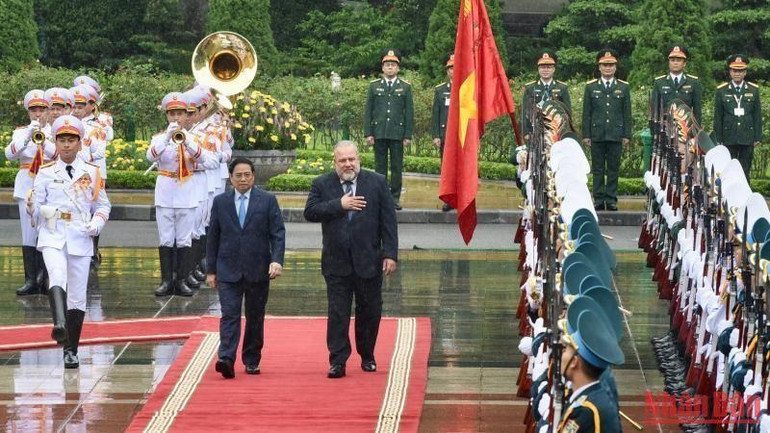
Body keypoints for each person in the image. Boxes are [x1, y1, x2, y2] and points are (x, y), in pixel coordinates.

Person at [304, 140, 398, 378]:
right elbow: (310, 212)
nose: (348, 164)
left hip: (369, 260)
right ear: (334, 162)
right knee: (338, 312)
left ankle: (368, 356)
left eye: (351, 159)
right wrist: (340, 205)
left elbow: (388, 222)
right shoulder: (322, 184)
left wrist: (390, 254)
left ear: (359, 160)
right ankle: (338, 361)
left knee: (370, 311)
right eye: (342, 160)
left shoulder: (376, 182)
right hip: (336, 262)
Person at [29, 115, 111, 368]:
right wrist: (38, 210)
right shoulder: (45, 172)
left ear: (79, 142)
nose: (66, 145)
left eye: (71, 140)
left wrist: (96, 224)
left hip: (79, 233)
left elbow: (102, 205)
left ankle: (71, 349)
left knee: (77, 295)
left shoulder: (92, 172)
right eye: (62, 140)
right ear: (55, 142)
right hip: (53, 232)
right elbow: (35, 208)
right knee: (56, 273)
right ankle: (59, 324)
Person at [206, 157, 286, 379]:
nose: (243, 179)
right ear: (231, 178)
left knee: (255, 316)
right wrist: (211, 271)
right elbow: (213, 236)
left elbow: (278, 234)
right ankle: (226, 358)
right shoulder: (221, 202)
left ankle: (251, 359)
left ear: (253, 176)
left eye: (247, 175)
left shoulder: (267, 200)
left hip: (258, 269)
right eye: (238, 175)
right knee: (229, 314)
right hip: (228, 269)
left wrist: (277, 260)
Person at [146, 92, 217, 297]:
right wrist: (168, 138)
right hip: (166, 191)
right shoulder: (160, 138)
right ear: (167, 116)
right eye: (172, 114)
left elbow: (211, 162)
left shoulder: (196, 138)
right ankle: (166, 280)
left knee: (185, 238)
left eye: (180, 114)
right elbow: (150, 156)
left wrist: (189, 144)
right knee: (166, 238)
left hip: (188, 192)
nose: (176, 118)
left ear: (187, 116)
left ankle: (182, 280)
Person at [6, 90, 57, 295]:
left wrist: (44, 141)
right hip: (27, 181)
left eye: (42, 110)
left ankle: (45, 278)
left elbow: (59, 154)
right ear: (28, 112)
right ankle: (30, 280)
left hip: (50, 183)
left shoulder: (56, 131)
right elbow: (9, 154)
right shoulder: (20, 132)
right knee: (29, 233)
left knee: (49, 230)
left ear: (48, 111)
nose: (38, 114)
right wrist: (28, 137)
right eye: (34, 110)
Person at [557, 304, 624, 432]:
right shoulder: (591, 398)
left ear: (574, 362)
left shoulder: (586, 411)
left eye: (565, 350)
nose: (562, 355)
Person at [582, 49, 632, 212]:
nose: (608, 68)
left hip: (615, 134)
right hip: (597, 134)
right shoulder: (591, 87)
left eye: (611, 65)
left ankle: (611, 199)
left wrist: (626, 134)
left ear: (615, 67)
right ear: (599, 67)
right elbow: (587, 113)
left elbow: (627, 113)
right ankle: (598, 199)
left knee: (613, 168)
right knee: (597, 168)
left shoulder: (623, 87)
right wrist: (586, 134)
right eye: (605, 65)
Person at [364, 49, 414, 210]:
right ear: (383, 68)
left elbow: (409, 113)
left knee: (396, 167)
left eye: (393, 65)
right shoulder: (374, 86)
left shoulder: (405, 87)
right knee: (380, 167)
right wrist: (368, 132)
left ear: (398, 68)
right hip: (379, 132)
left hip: (397, 134)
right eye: (387, 65)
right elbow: (368, 111)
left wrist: (407, 135)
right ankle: (381, 197)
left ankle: (394, 198)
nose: (390, 67)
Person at [713, 54, 762, 180]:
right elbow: (718, 116)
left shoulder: (753, 90)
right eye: (734, 70)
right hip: (728, 136)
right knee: (729, 169)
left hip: (747, 136)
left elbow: (757, 114)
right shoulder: (722, 90)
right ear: (730, 71)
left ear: (745, 72)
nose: (737, 74)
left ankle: (745, 197)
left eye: (740, 70)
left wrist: (757, 136)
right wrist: (718, 138)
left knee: (745, 170)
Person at [521, 52, 572, 140]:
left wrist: (567, 132)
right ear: (538, 69)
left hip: (557, 131)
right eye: (543, 67)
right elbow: (525, 112)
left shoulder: (562, 88)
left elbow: (568, 112)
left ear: (554, 69)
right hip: (535, 131)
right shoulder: (530, 88)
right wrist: (526, 132)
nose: (546, 70)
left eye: (549, 67)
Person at [650, 45, 702, 123]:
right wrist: (655, 132)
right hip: (664, 129)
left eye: (678, 60)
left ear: (684, 63)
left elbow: (697, 111)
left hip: (686, 129)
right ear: (669, 62)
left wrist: (696, 132)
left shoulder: (693, 82)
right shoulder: (659, 83)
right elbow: (655, 111)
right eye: (672, 60)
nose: (675, 63)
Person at [432, 54, 454, 212]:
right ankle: (449, 199)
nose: (453, 70)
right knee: (446, 170)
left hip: (461, 138)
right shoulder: (440, 90)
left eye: (456, 67)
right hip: (446, 135)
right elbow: (436, 114)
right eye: (450, 68)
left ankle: (463, 198)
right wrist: (436, 135)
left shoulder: (467, 88)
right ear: (447, 72)